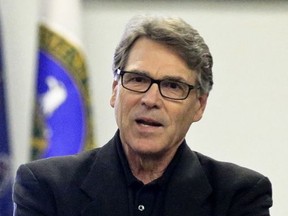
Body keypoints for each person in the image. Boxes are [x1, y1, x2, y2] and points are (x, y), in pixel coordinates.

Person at [13, 15, 272, 216]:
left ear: (199, 105)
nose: (150, 99)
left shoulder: (239, 196)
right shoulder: (46, 187)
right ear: (116, 91)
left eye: (172, 86)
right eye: (138, 79)